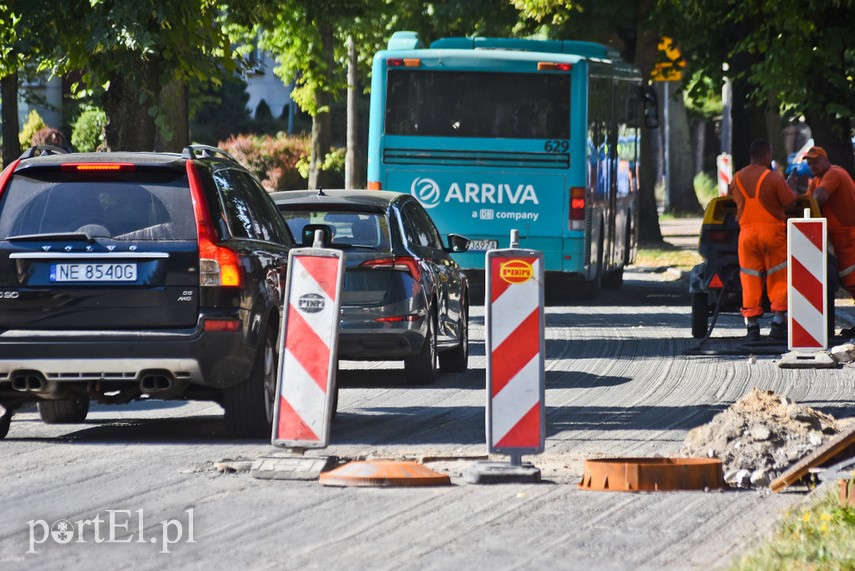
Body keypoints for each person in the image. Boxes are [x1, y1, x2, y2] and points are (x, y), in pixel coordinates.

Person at [728, 139, 797, 342]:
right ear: (767, 155)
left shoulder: (736, 178)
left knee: (749, 278)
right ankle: (777, 323)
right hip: (772, 233)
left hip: (746, 235)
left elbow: (732, 198)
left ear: (751, 155)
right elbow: (790, 203)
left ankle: (752, 327)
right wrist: (790, 186)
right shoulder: (772, 178)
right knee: (778, 276)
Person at [804, 146, 855, 337]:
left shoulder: (834, 174)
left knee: (851, 279)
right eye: (809, 163)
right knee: (849, 280)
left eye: (815, 161)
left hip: (849, 235)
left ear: (826, 160)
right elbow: (806, 202)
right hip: (841, 237)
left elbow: (817, 199)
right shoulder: (817, 180)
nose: (812, 165)